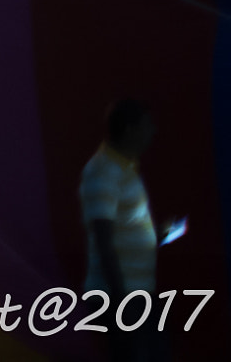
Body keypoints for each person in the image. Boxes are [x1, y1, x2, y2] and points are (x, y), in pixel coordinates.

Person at [82, 99, 165, 362]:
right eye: (147, 125)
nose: (153, 131)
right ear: (130, 130)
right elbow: (103, 239)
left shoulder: (125, 169)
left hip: (137, 293)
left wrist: (157, 235)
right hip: (122, 296)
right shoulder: (103, 172)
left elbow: (123, 227)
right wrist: (121, 303)